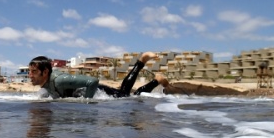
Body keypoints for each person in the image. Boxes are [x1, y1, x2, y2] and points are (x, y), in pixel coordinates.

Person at [28, 52, 169, 99]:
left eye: (33, 72)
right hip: (93, 92)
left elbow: (92, 81)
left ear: (45, 72)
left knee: (126, 95)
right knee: (128, 94)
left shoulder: (60, 80)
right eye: (29, 72)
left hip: (98, 91)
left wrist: (86, 102)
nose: (30, 75)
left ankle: (144, 64)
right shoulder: (46, 84)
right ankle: (157, 79)